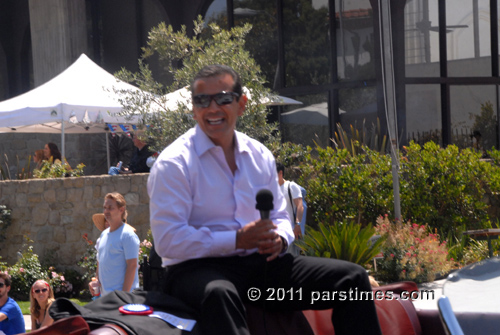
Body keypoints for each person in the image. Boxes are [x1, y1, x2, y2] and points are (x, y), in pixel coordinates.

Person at [148, 64, 382, 334]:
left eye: (223, 98)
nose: (212, 108)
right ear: (193, 107)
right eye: (202, 100)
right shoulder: (173, 163)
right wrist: (236, 240)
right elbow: (168, 242)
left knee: (352, 280)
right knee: (219, 293)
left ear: (242, 104)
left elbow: (282, 216)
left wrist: (281, 239)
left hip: (260, 269)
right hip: (195, 271)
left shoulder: (260, 156)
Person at [89, 193, 140, 297]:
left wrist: (123, 296)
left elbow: (132, 266)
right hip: (106, 298)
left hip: (123, 300)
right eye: (105, 208)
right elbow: (100, 262)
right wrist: (96, 281)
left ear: (121, 210)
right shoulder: (103, 234)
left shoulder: (128, 235)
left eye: (110, 208)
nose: (106, 211)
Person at [276, 162, 305, 256]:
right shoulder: (271, 189)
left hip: (290, 232)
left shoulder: (291, 186)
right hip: (276, 233)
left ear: (280, 173)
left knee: (290, 261)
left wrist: (297, 224)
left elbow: (300, 206)